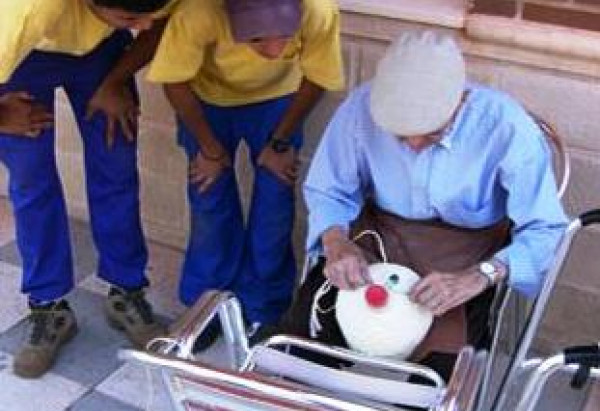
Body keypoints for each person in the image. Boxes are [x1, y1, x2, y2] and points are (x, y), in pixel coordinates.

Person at [282, 30, 568, 379]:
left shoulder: (506, 127)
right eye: (400, 136)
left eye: (432, 132)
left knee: (441, 380)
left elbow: (546, 229)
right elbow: (329, 190)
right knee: (303, 343)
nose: (415, 144)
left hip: (468, 253)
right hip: (380, 235)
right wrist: (335, 242)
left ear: (460, 101)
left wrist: (482, 275)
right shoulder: (359, 108)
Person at [146, 0, 344, 344]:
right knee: (209, 198)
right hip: (206, 101)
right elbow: (175, 81)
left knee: (275, 202)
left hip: (279, 101)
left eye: (285, 36)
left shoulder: (318, 9)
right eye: (256, 39)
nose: (274, 50)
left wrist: (280, 142)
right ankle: (205, 304)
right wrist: (209, 148)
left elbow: (317, 76)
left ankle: (264, 309)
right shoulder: (198, 12)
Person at [0, 0, 174, 378]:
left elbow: (160, 24)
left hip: (102, 51)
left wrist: (115, 81)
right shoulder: (24, 11)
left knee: (116, 162)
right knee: (31, 176)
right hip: (26, 55)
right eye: (131, 17)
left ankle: (126, 290)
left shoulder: (141, 14)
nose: (144, 25)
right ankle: (49, 306)